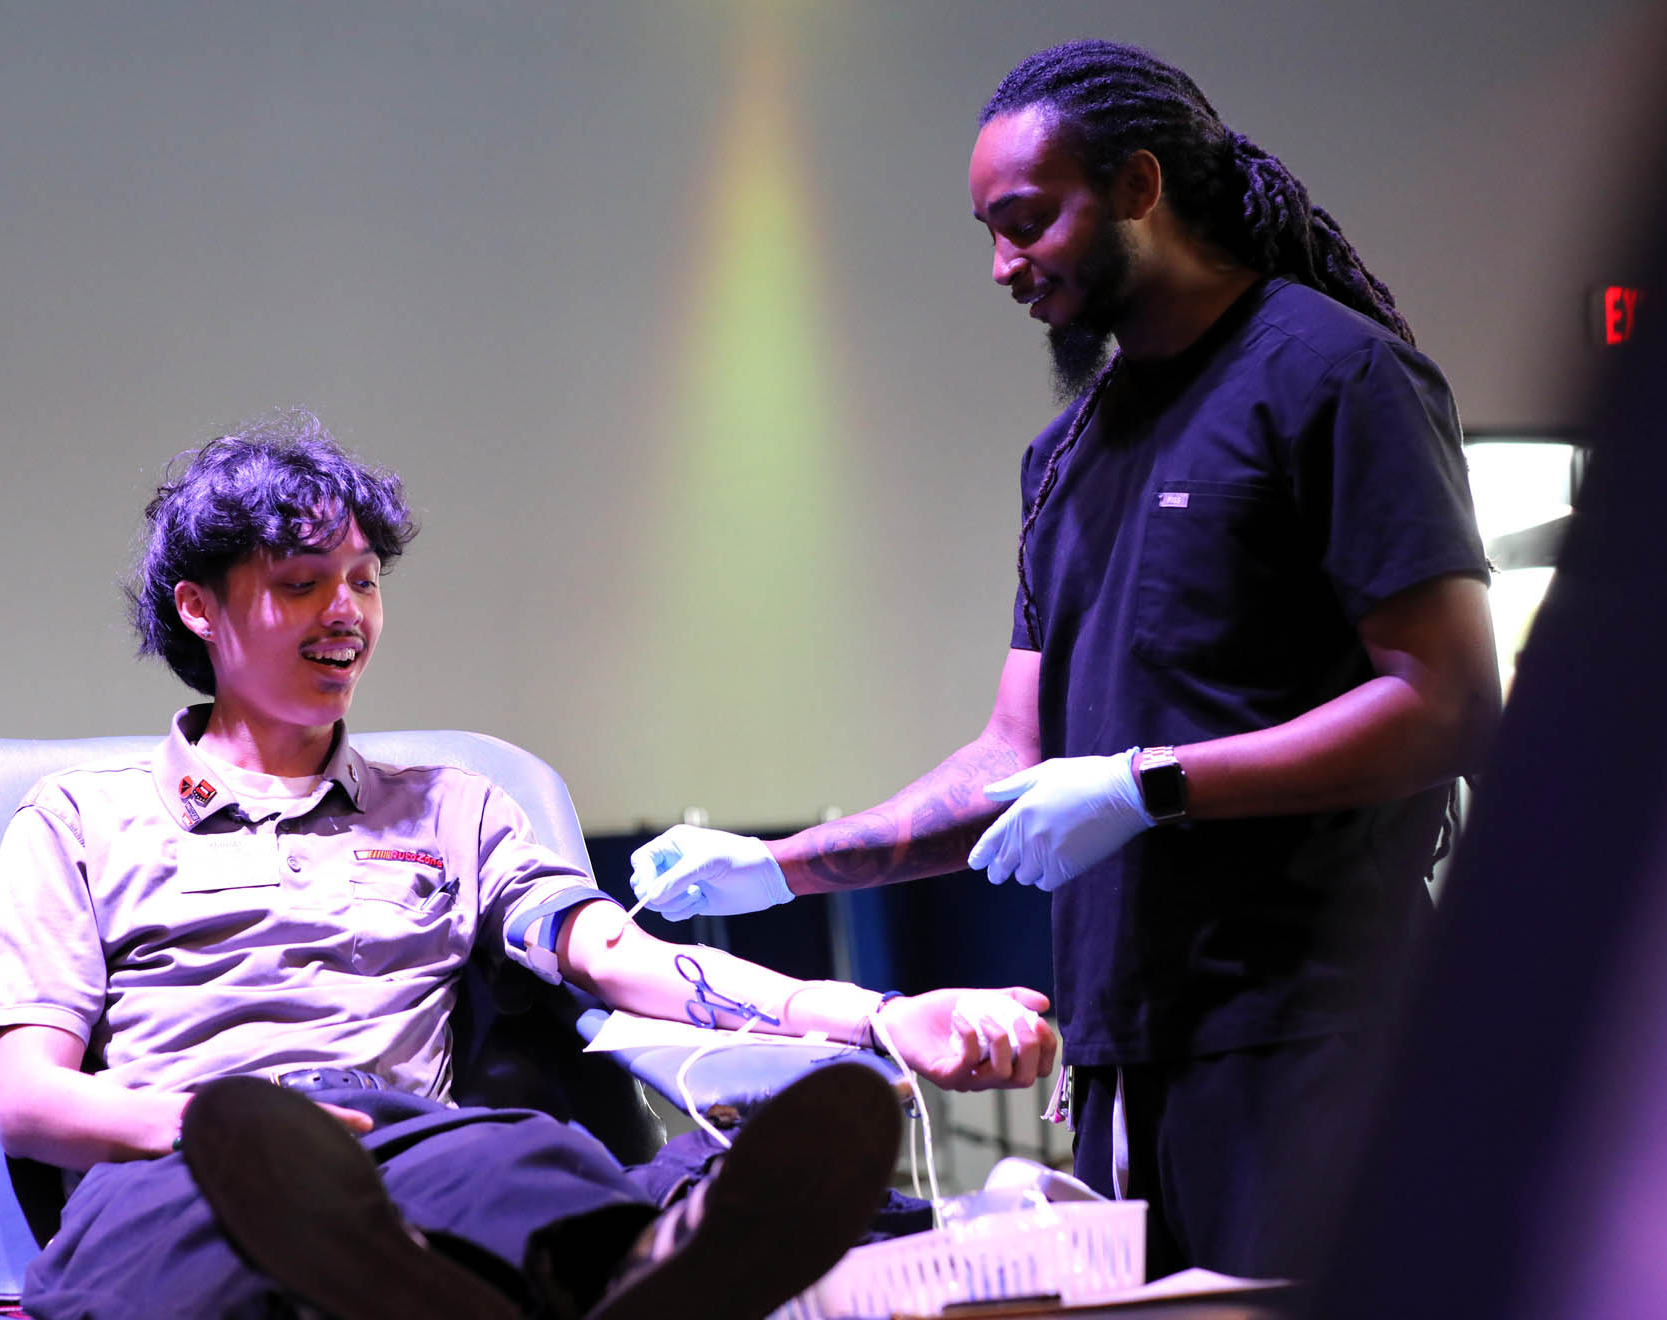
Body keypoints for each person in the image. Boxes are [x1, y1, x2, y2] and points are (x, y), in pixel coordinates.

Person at [629, 40, 1501, 1280]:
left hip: (1319, 1036)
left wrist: (1150, 785)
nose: (1003, 265)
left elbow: (1449, 701)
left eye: (1028, 222)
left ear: (1139, 186)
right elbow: (1013, 756)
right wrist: (778, 869)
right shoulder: (1067, 456)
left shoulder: (1335, 376)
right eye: (990, 231)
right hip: (1126, 1055)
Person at [0, 409, 1059, 1320]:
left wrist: (883, 1019)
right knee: (206, 1269)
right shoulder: (81, 820)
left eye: (364, 579)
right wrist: (211, 1126)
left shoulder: (453, 810)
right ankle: (485, 1285)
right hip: (185, 1159)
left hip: (404, 1146)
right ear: (199, 608)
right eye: (301, 584)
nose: (346, 613)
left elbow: (620, 959)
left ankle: (616, 1262)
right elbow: (30, 1101)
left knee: (529, 1172)